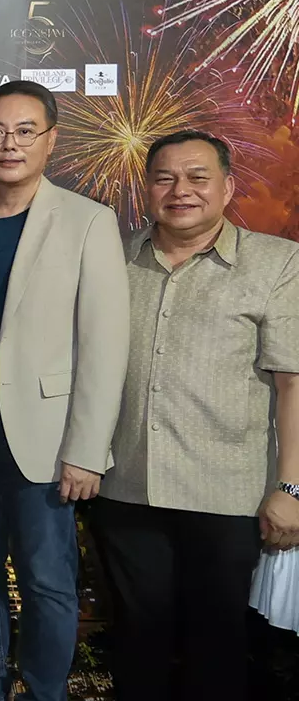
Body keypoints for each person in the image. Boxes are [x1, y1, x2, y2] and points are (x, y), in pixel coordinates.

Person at [0, 80, 129, 701]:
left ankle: (45, 691)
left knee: (47, 578)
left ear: (51, 140)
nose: (9, 144)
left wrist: (86, 450)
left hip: (48, 433)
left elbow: (104, 345)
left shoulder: (88, 221)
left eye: (24, 131)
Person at [94, 130, 299, 701]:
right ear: (146, 189)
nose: (180, 190)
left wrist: (292, 487)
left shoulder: (277, 262)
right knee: (137, 644)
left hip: (228, 496)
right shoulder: (112, 259)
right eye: (164, 178)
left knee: (217, 647)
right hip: (126, 489)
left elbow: (293, 383)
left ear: (228, 187)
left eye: (197, 177)